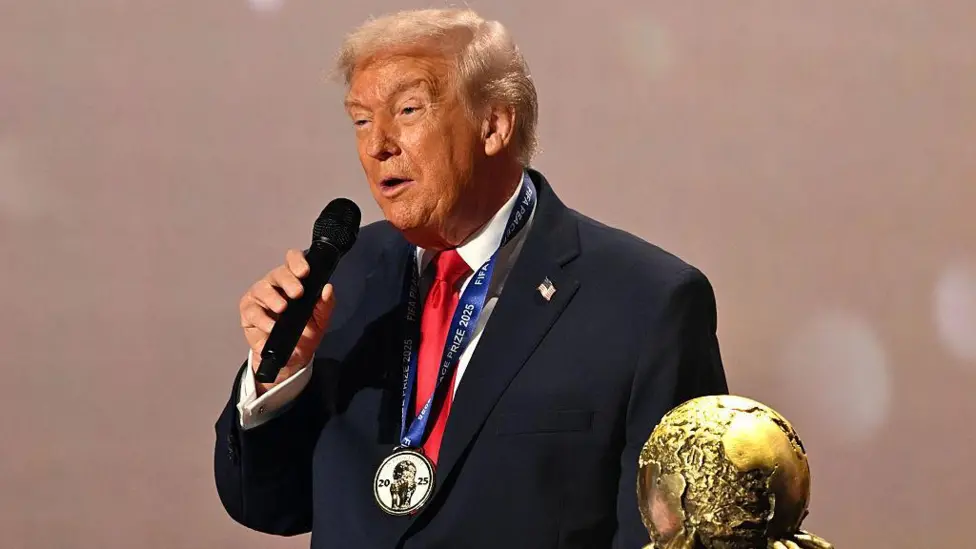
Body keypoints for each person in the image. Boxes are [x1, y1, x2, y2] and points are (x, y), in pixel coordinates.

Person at [213, 8, 728, 549]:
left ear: (494, 125)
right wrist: (281, 378)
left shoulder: (647, 304)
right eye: (361, 120)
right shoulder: (345, 273)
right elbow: (270, 504)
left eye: (407, 110)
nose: (378, 144)